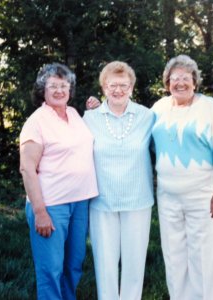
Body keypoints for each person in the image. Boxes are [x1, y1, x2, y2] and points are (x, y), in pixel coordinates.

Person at [151, 54, 213, 299]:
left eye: (185, 78)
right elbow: (134, 131)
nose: (180, 83)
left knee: (202, 255)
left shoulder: (209, 106)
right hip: (167, 195)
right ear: (167, 83)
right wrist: (98, 108)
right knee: (174, 254)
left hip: (202, 195)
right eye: (174, 78)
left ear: (194, 81)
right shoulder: (158, 108)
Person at [19, 62, 98, 300]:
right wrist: (40, 211)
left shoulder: (74, 114)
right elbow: (27, 168)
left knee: (73, 265)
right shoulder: (37, 121)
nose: (59, 90)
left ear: (70, 89)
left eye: (64, 85)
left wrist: (93, 109)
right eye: (52, 85)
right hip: (51, 206)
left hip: (80, 203)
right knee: (50, 270)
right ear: (42, 89)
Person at [83, 61, 155, 300]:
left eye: (124, 85)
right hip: (102, 199)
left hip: (138, 199)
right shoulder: (89, 118)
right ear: (104, 87)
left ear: (132, 87)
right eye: (112, 85)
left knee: (135, 264)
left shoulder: (147, 116)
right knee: (105, 263)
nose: (118, 90)